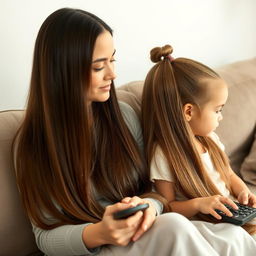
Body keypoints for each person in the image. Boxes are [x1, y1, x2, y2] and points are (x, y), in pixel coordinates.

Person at [13, 8, 256, 256]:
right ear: (64, 70)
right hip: (98, 246)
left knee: (232, 235)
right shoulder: (31, 145)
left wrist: (148, 206)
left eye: (112, 60)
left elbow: (156, 194)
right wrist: (101, 232)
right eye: (99, 66)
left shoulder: (123, 116)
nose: (113, 74)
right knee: (174, 227)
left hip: (143, 231)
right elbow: (44, 237)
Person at [142, 44, 256, 239]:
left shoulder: (210, 139)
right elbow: (167, 208)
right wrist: (199, 204)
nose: (221, 117)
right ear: (188, 111)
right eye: (218, 110)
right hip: (203, 226)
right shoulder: (163, 155)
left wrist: (243, 191)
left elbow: (228, 174)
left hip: (228, 217)